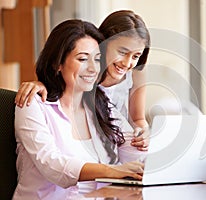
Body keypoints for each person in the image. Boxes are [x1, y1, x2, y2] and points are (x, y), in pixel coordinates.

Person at [13, 19, 144, 199]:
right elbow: (52, 165)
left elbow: (133, 154)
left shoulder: (102, 105)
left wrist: (143, 143)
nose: (92, 68)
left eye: (97, 59)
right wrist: (112, 171)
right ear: (57, 63)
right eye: (82, 59)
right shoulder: (34, 104)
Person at [14, 10, 151, 151]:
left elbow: (138, 118)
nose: (127, 63)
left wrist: (143, 132)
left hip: (118, 139)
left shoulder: (135, 74)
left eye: (136, 56)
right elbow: (60, 86)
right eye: (122, 52)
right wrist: (40, 84)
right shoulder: (87, 74)